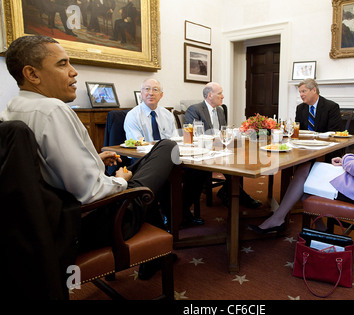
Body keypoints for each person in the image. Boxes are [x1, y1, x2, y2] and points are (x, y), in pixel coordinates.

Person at [0, 35, 177, 279]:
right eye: (62, 64)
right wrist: (123, 180)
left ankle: (156, 250)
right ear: (32, 74)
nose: (74, 72)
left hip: (41, 222)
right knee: (166, 148)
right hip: (92, 222)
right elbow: (90, 192)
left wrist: (93, 158)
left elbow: (41, 167)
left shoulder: (11, 109)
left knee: (148, 164)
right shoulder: (53, 110)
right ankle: (167, 239)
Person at [250, 69, 354, 233]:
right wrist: (349, 159)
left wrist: (345, 160)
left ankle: (281, 220)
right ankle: (309, 225)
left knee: (304, 180)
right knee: (305, 169)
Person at [124, 78, 203, 227]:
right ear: (141, 93)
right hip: (144, 160)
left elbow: (173, 139)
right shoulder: (133, 116)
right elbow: (139, 144)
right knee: (167, 176)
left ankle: (181, 211)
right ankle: (169, 216)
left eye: (155, 90)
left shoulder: (167, 114)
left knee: (198, 171)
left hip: (168, 158)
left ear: (161, 95)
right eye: (146, 89)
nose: (150, 93)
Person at [185, 82, 262, 209]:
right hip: (204, 151)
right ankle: (237, 194)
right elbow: (195, 135)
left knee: (240, 159)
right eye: (220, 93)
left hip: (220, 148)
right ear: (209, 95)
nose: (223, 96)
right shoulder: (195, 109)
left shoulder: (220, 110)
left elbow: (223, 132)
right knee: (233, 160)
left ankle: (230, 192)